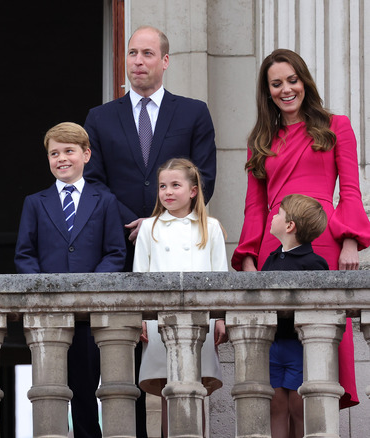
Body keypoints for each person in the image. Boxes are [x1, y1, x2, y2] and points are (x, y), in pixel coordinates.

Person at [83, 25, 218, 436]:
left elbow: (204, 175)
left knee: (178, 362)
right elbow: (94, 179)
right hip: (120, 249)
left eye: (146, 54)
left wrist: (158, 221)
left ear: (165, 60)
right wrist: (138, 224)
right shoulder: (100, 118)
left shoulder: (193, 112)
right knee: (123, 355)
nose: (137, 61)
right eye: (132, 54)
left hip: (180, 250)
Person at [232, 48, 370, 409]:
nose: (286, 89)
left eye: (292, 80)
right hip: (273, 248)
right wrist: (248, 256)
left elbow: (351, 190)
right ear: (268, 91)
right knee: (277, 362)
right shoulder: (259, 140)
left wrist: (351, 241)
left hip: (323, 241)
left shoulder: (336, 125)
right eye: (276, 84)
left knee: (320, 354)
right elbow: (255, 206)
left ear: (304, 81)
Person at [14, 122, 126, 437]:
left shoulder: (104, 201)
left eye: (69, 151)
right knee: (49, 390)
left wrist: (87, 288)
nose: (61, 158)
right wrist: (45, 290)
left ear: (86, 154)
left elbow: (115, 253)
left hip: (89, 317)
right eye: (54, 153)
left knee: (87, 390)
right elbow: (24, 254)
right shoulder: (35, 202)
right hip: (49, 316)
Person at [133, 158, 227, 437]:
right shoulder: (149, 228)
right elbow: (140, 277)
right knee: (166, 388)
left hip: (201, 321)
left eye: (176, 185)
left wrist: (221, 316)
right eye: (163, 186)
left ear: (193, 190)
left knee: (195, 386)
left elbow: (220, 276)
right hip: (159, 320)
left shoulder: (210, 227)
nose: (168, 192)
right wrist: (140, 318)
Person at [261, 194, 329, 438]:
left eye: (278, 213)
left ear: (290, 226)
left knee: (299, 408)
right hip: (273, 345)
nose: (274, 216)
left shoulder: (314, 263)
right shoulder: (270, 260)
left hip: (300, 347)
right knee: (276, 405)